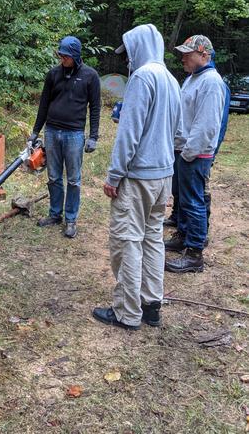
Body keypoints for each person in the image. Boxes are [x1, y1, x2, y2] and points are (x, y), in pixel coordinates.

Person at [92, 24, 182, 330]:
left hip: (138, 178)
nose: (127, 59)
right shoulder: (171, 79)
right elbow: (177, 132)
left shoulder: (143, 77)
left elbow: (129, 135)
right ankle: (151, 305)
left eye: (128, 52)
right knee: (152, 238)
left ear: (139, 48)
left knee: (127, 241)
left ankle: (127, 312)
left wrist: (114, 176)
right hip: (163, 176)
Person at [164, 36, 226, 273]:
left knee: (194, 203)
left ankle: (194, 254)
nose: (183, 58)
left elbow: (207, 125)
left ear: (204, 55)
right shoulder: (193, 79)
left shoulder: (211, 82)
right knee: (183, 200)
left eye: (188, 54)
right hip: (184, 151)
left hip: (195, 154)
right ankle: (183, 237)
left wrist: (189, 153)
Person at [29, 36, 100, 239]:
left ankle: (70, 219)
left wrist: (93, 136)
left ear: (76, 55)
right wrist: (35, 132)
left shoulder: (90, 76)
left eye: (66, 56)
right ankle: (54, 214)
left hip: (74, 134)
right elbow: (43, 104)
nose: (62, 59)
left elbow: (95, 107)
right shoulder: (53, 74)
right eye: (61, 55)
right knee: (53, 177)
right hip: (52, 131)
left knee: (74, 180)